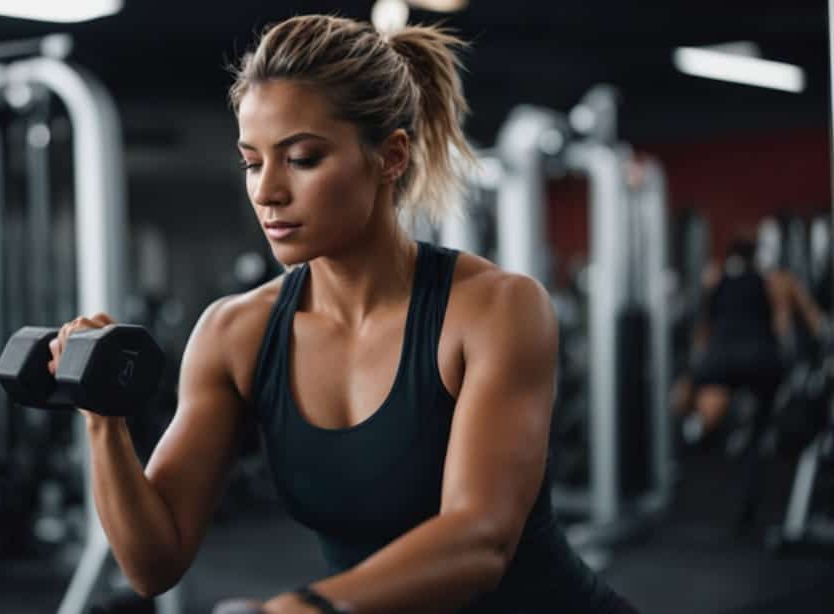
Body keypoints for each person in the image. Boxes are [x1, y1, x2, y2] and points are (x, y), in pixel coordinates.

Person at [50, 15, 635, 613]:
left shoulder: (494, 308)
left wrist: (303, 608)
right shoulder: (235, 333)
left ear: (390, 157)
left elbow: (480, 541)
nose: (267, 191)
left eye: (302, 158)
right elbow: (153, 564)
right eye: (253, 162)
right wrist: (103, 420)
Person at [670, 230, 829, 443]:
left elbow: (704, 328)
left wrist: (699, 360)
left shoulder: (715, 279)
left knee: (705, 393)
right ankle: (762, 430)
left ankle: (699, 428)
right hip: (760, 359)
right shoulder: (774, 280)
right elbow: (790, 323)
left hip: (721, 357)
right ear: (755, 256)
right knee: (770, 393)